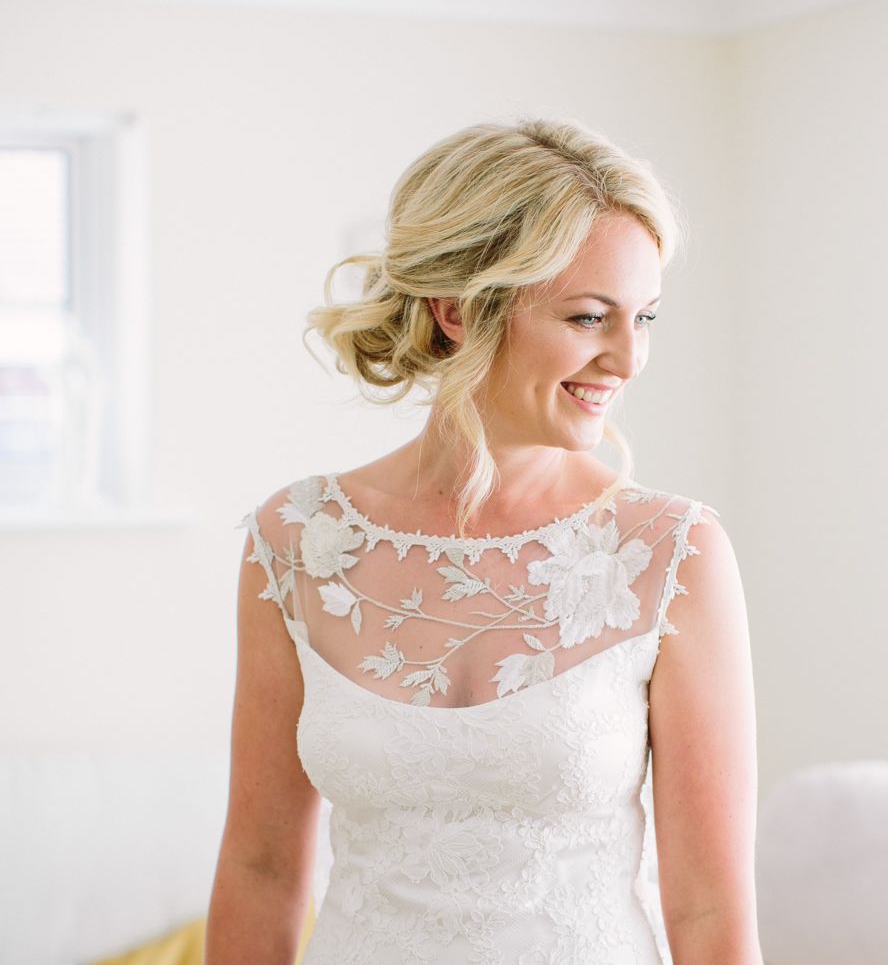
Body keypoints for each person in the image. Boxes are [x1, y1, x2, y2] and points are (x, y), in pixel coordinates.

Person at [206, 118, 763, 965]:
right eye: (590, 317)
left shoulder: (672, 552)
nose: (628, 359)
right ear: (459, 311)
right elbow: (260, 869)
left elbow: (710, 913)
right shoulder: (297, 543)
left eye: (644, 317)